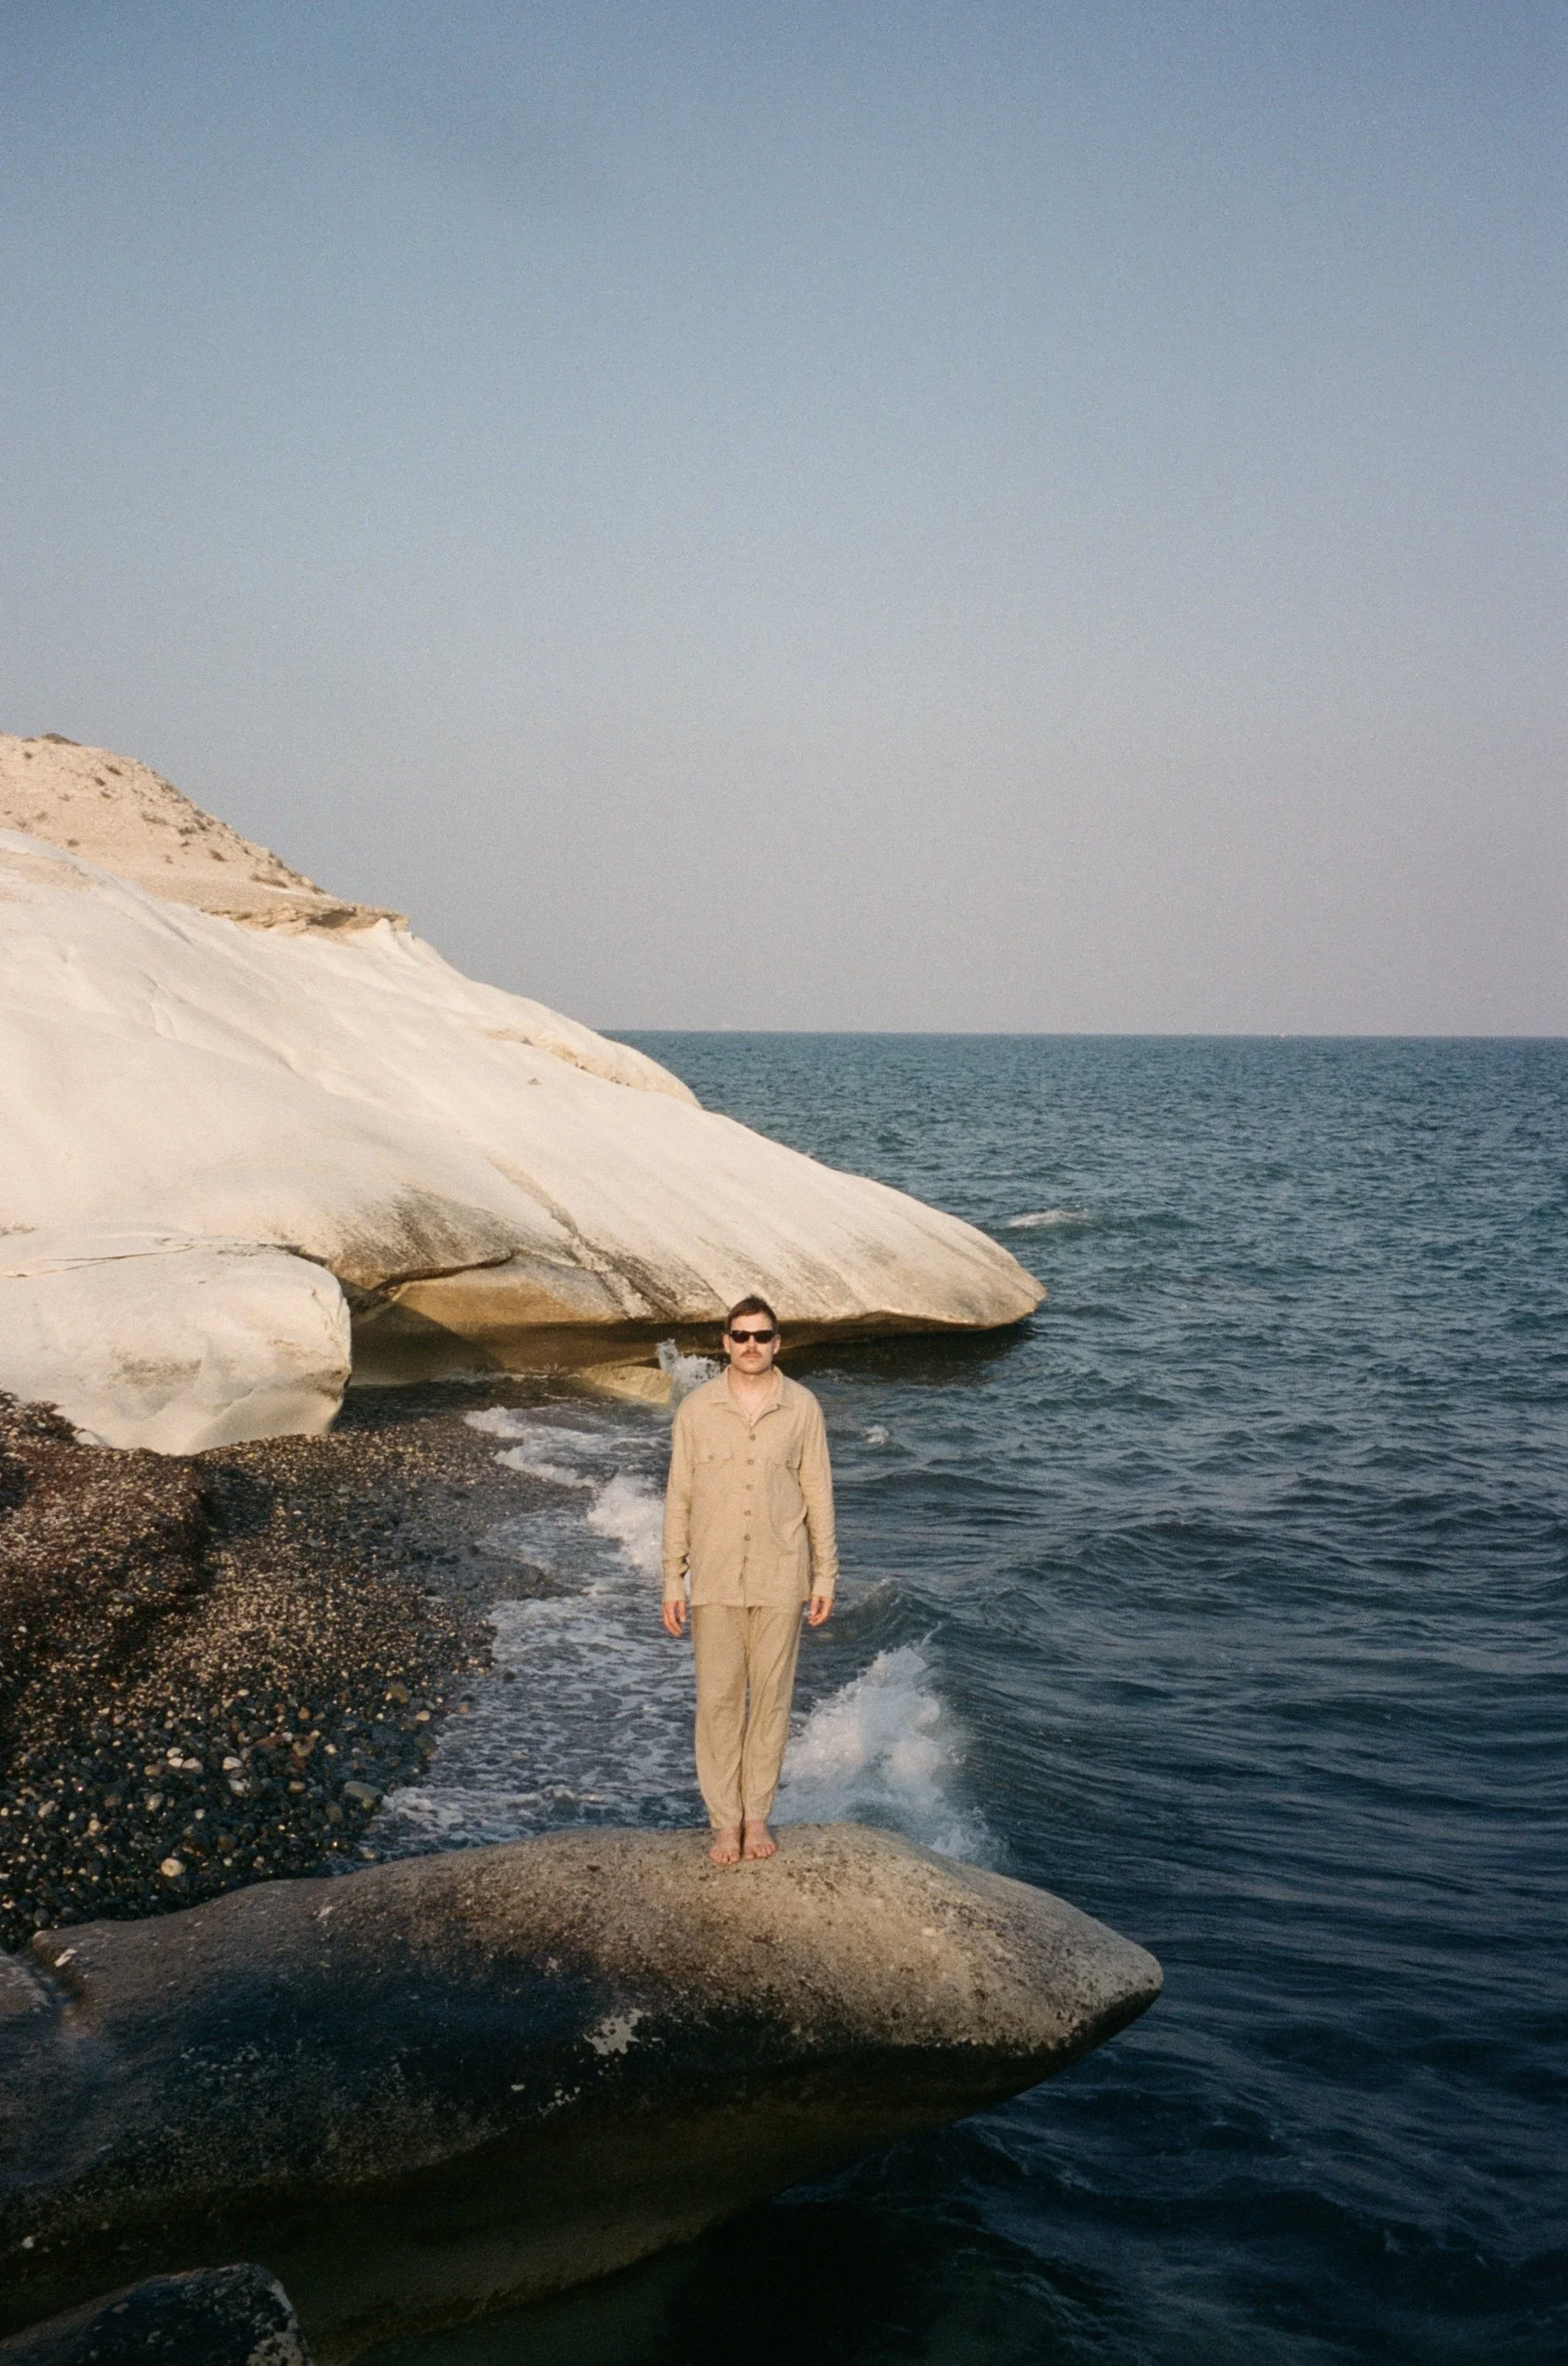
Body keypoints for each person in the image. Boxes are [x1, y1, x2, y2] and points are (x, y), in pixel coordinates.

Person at [661, 1296, 836, 1866]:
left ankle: (756, 1813)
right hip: (712, 1579)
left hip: (781, 1576)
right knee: (716, 1702)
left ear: (778, 1342)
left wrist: (825, 1573)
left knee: (771, 1703)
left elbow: (819, 1495)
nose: (751, 1345)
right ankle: (723, 1822)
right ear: (724, 1341)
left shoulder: (803, 1407)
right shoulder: (696, 1409)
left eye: (762, 1336)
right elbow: (678, 1498)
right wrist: (672, 1579)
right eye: (740, 1336)